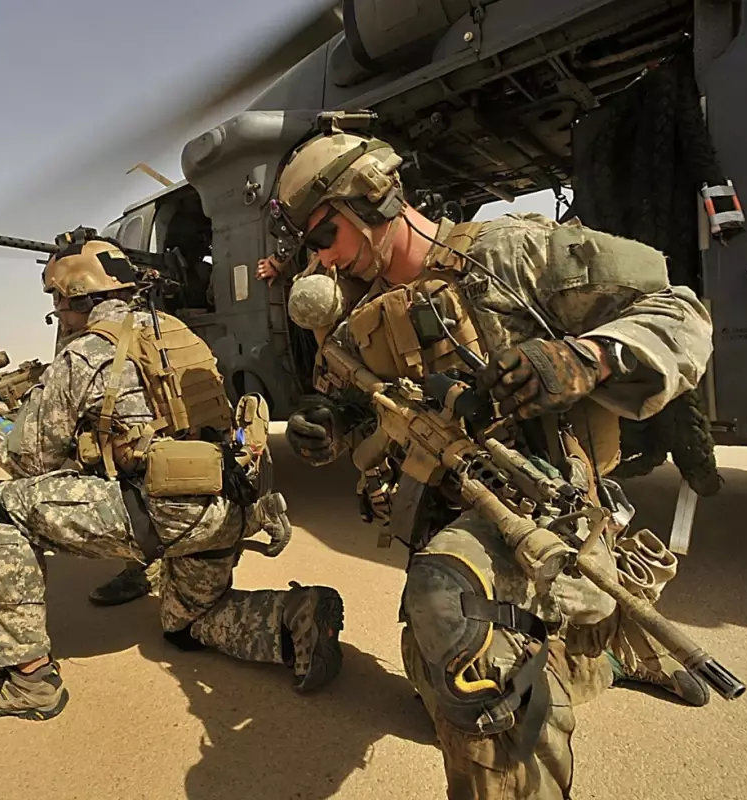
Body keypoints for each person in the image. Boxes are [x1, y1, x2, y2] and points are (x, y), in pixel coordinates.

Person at [267, 116, 713, 798]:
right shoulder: (356, 317)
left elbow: (679, 310)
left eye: (325, 236)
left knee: (461, 642)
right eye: (309, 248)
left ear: (372, 197)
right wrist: (330, 425)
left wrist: (583, 357)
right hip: (446, 514)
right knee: (438, 669)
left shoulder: (508, 254)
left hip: (541, 500)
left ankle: (595, 653)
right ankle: (596, 651)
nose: (322, 261)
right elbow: (356, 403)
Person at [0, 232, 345, 720]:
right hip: (227, 504)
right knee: (186, 623)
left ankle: (27, 678)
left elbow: (31, 461)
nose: (58, 313)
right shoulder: (175, 331)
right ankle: (296, 618)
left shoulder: (85, 353)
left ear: (74, 297)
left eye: (58, 302)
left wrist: (0, 425)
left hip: (162, 516)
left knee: (1, 505)